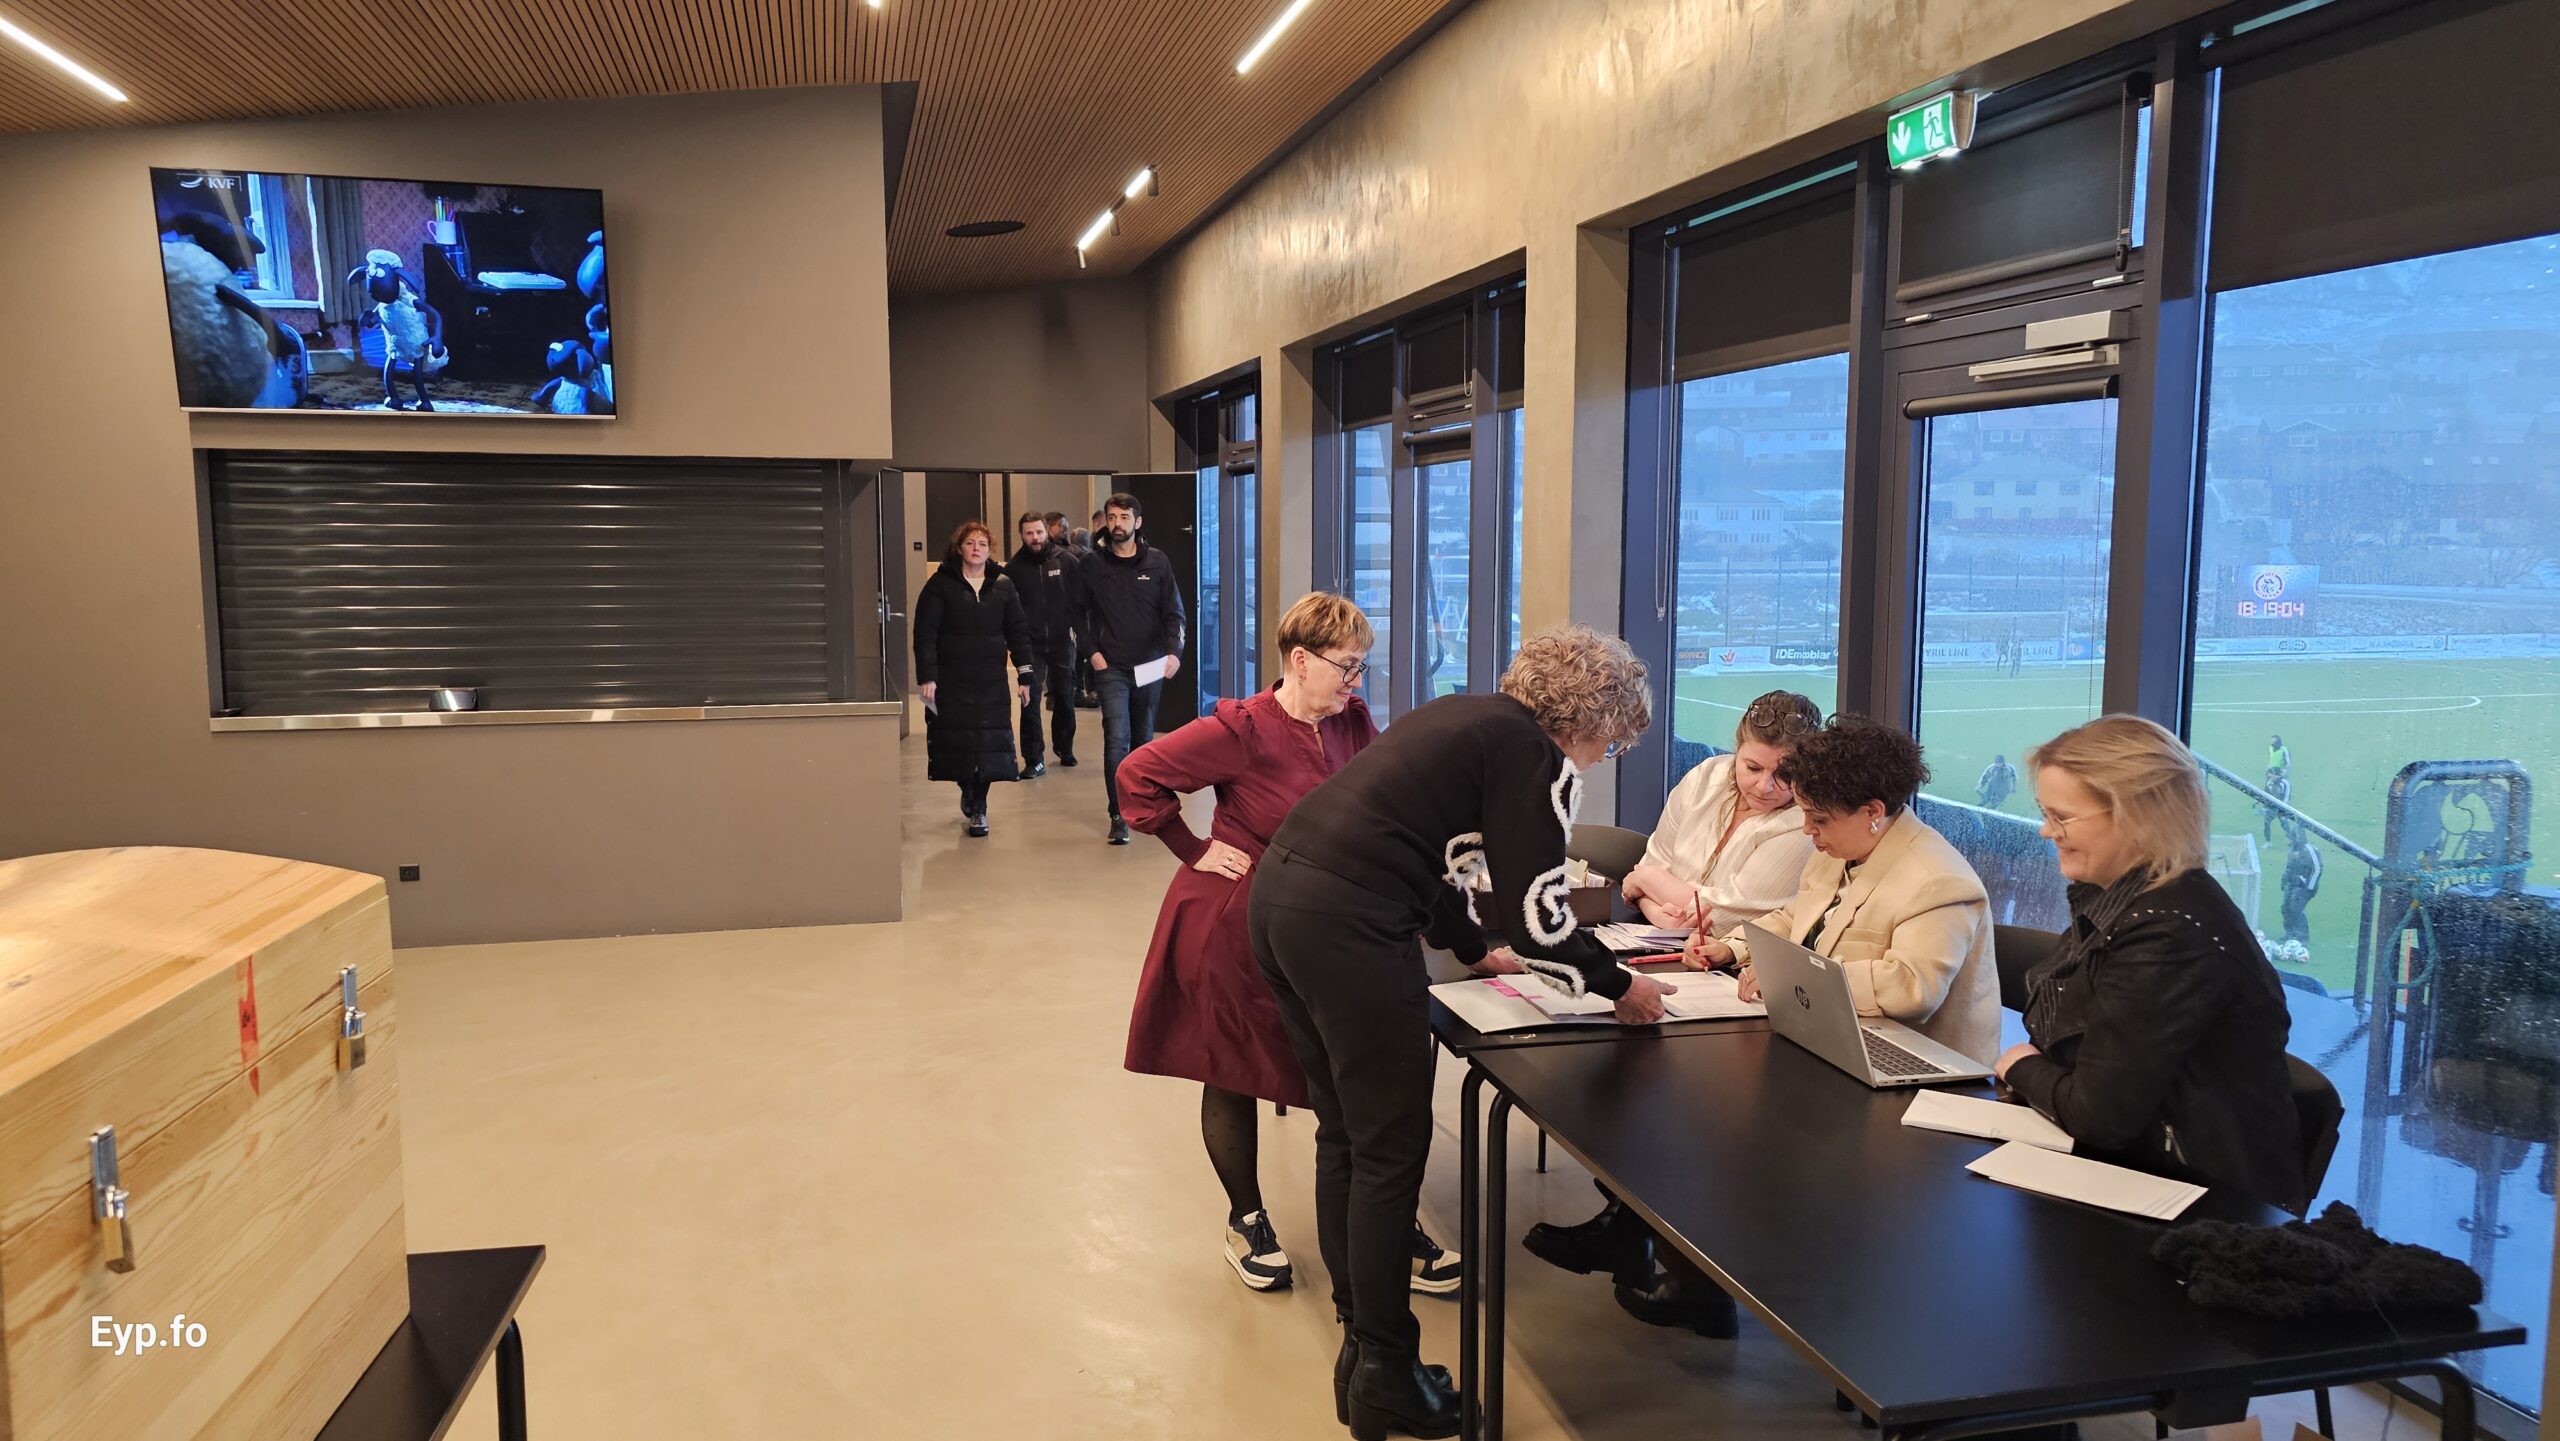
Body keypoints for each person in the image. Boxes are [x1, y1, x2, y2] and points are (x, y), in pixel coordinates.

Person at [1250, 627, 1672, 1441]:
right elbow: (1541, 921)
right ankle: (1387, 1373)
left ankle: (1360, 1354)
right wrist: (1624, 986)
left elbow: (1428, 859)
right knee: (1389, 1151)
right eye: (1615, 741)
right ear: (1593, 718)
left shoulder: (1466, 718)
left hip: (1284, 900)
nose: (1605, 756)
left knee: (1346, 1137)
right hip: (1351, 925)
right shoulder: (1534, 757)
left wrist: (1475, 949)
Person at [1118, 594, 1463, 1300]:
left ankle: (1385, 1230)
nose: (1355, 682)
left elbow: (1385, 809)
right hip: (1235, 921)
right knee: (1233, 1066)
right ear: (1300, 661)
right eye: (1347, 666)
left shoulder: (1352, 722)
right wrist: (1191, 846)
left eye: (1362, 667)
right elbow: (1138, 774)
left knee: (1350, 1074)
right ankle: (1246, 1219)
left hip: (1325, 921)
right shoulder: (1241, 729)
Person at [1525, 689, 1820, 1334]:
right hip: (1666, 953)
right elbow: (1654, 868)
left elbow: (1720, 912)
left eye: (1785, 773)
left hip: (1732, 977)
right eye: (1753, 766)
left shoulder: (1807, 822)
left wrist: (1661, 895)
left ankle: (1692, 1275)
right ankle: (1627, 1226)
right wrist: (1667, 896)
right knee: (1615, 1074)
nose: (1766, 786)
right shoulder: (1707, 777)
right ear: (1735, 750)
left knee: (1683, 1104)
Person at [1997, 715, 2307, 1213]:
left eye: (2062, 817)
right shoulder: (2126, 901)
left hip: (2200, 1213)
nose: (2045, 830)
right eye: (2045, 813)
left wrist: (2021, 1067)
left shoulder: (2168, 933)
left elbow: (2099, 1118)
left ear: (2138, 816)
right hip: (2137, 1182)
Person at [1077, 492, 1187, 846]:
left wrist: (1174, 653)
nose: (1117, 524)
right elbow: (1075, 613)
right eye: (1112, 517)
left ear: (1137, 522)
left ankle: (1141, 803)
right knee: (1117, 739)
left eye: (1124, 517)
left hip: (1150, 666)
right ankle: (1118, 814)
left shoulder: (1157, 562)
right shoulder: (1092, 564)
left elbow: (1174, 613)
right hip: (1110, 666)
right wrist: (1092, 653)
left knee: (1143, 740)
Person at [912, 521, 1033, 838]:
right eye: (970, 543)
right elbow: (925, 634)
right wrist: (927, 677)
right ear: (959, 548)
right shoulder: (940, 585)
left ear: (989, 550)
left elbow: (1018, 632)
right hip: (952, 680)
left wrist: (1025, 674)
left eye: (982, 543)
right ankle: (966, 786)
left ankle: (979, 806)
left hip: (991, 680)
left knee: (989, 744)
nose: (976, 548)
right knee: (957, 743)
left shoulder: (1003, 586)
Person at [1004, 511, 1079, 774]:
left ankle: (1065, 747)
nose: (1035, 537)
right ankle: (1033, 758)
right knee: (1030, 699)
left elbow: (1079, 599)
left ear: (1047, 531)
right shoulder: (1014, 569)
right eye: (1029, 533)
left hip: (1062, 640)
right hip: (1030, 645)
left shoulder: (1066, 561)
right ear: (1021, 535)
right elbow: (1009, 609)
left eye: (1039, 532)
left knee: (1065, 695)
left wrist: (1077, 629)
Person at [2280, 825, 2322, 950]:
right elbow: (2289, 866)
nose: (2290, 839)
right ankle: (2289, 934)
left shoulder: (2310, 850)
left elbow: (2317, 868)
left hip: (2304, 886)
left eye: (2292, 837)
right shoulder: (2292, 849)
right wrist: (2284, 879)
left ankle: (2302, 938)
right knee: (2285, 908)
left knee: (2296, 909)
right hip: (2292, 884)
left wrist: (2309, 887)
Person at [2260, 765, 2292, 842]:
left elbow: (2287, 795)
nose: (2269, 776)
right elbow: (2266, 793)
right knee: (2266, 824)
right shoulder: (2270, 782)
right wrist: (2260, 802)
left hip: (2282, 808)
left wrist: (2284, 807)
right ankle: (2268, 842)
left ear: (2275, 774)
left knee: (2285, 825)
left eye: (2270, 774)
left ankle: (2292, 840)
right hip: (2271, 807)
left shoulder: (2285, 783)